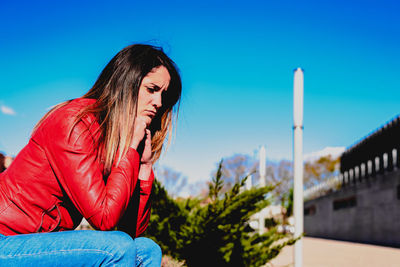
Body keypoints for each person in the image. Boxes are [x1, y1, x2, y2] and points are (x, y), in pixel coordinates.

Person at [0, 44, 181, 266]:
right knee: (117, 248)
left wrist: (144, 167)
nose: (159, 103)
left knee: (146, 250)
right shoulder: (75, 122)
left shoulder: (114, 143)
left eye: (164, 95)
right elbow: (104, 220)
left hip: (40, 241)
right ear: (126, 82)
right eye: (151, 89)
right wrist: (131, 150)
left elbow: (131, 234)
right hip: (6, 239)